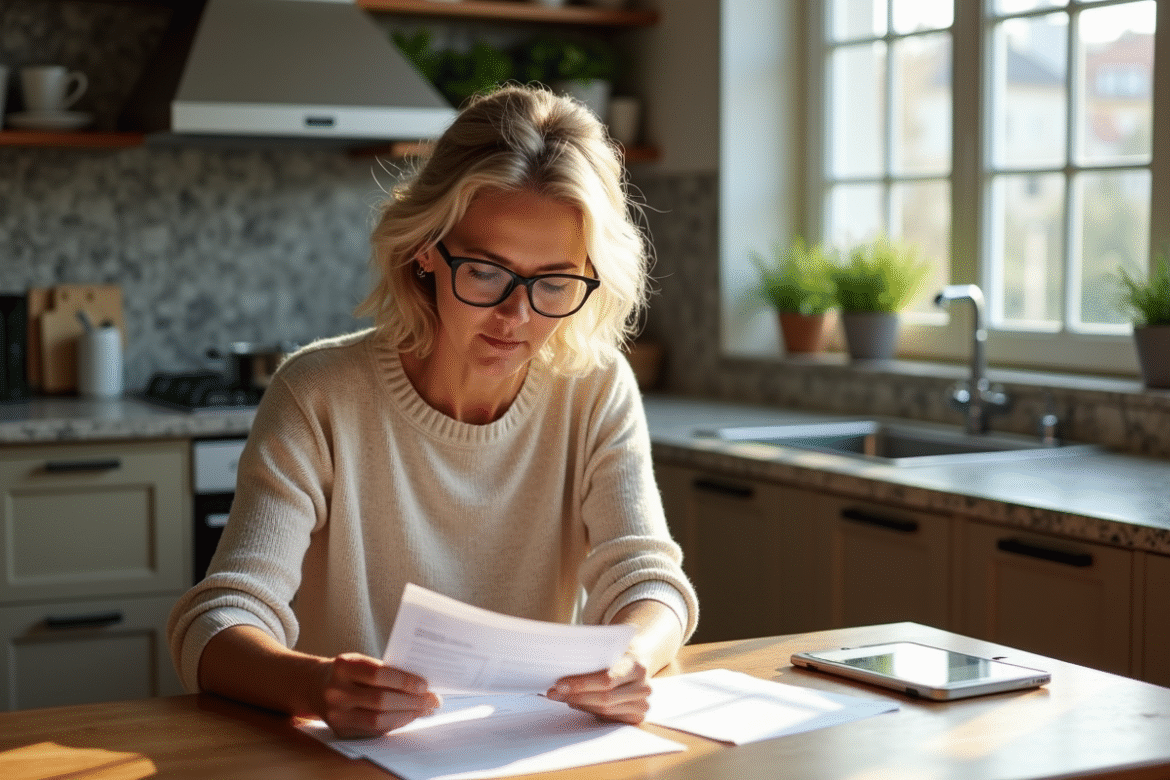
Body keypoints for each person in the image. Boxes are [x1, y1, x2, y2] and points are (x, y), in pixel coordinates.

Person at [167, 84, 698, 740]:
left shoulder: (595, 387)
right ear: (426, 250)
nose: (518, 315)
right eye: (486, 271)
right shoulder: (318, 394)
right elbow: (216, 622)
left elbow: (650, 583)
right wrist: (313, 684)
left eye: (555, 281)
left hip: (526, 752)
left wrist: (632, 659)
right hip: (351, 758)